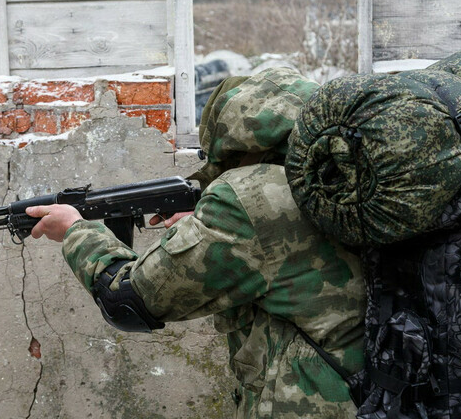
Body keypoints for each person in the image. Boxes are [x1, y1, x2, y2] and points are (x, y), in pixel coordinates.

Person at [26, 68, 366, 418]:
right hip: (379, 392)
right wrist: (207, 225)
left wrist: (75, 230)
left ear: (234, 141)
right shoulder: (344, 180)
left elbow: (128, 299)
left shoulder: (249, 197)